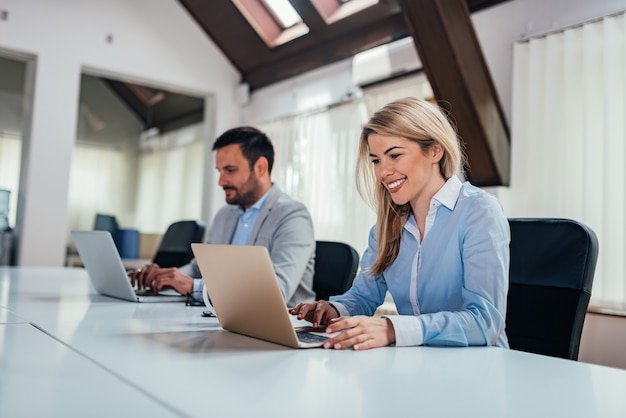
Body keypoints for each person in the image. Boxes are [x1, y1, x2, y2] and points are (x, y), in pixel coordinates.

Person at [291, 97, 510, 350]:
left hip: (478, 369)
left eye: (394, 155)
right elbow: (363, 296)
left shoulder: (478, 212)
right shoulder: (386, 227)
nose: (383, 172)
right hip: (417, 366)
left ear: (435, 151)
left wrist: (393, 328)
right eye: (376, 160)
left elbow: (485, 322)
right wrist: (333, 310)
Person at [130, 126, 316, 307]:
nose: (221, 181)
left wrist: (194, 287)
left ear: (260, 167)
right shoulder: (225, 214)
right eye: (219, 171)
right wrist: (166, 277)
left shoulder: (292, 216)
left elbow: (275, 293)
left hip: (279, 328)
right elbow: (198, 268)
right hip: (222, 318)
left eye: (230, 170)